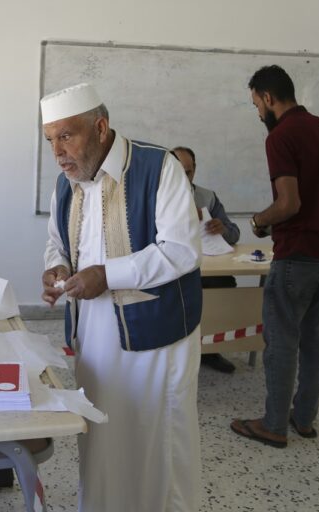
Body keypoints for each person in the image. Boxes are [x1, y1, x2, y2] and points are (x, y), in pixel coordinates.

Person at [40, 83, 202, 511]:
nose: (58, 152)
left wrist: (106, 275)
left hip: (156, 337)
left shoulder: (157, 167)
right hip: (93, 336)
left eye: (66, 136)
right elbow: (57, 243)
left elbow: (181, 250)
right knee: (102, 435)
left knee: (157, 436)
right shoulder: (65, 183)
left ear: (100, 126)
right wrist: (56, 268)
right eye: (50, 140)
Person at [231, 65, 319, 448]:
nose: (257, 113)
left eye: (256, 104)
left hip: (298, 256)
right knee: (315, 341)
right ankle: (304, 419)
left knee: (282, 341)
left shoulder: (281, 136)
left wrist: (258, 220)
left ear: (268, 98)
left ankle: (273, 425)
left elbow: (288, 203)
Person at [173, 146, 240, 374]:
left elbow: (234, 233)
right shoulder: (155, 195)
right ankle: (177, 352)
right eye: (179, 171)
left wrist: (222, 229)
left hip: (207, 265)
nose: (184, 177)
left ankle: (211, 349)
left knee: (224, 284)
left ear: (195, 171)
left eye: (189, 172)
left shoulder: (207, 196)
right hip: (173, 267)